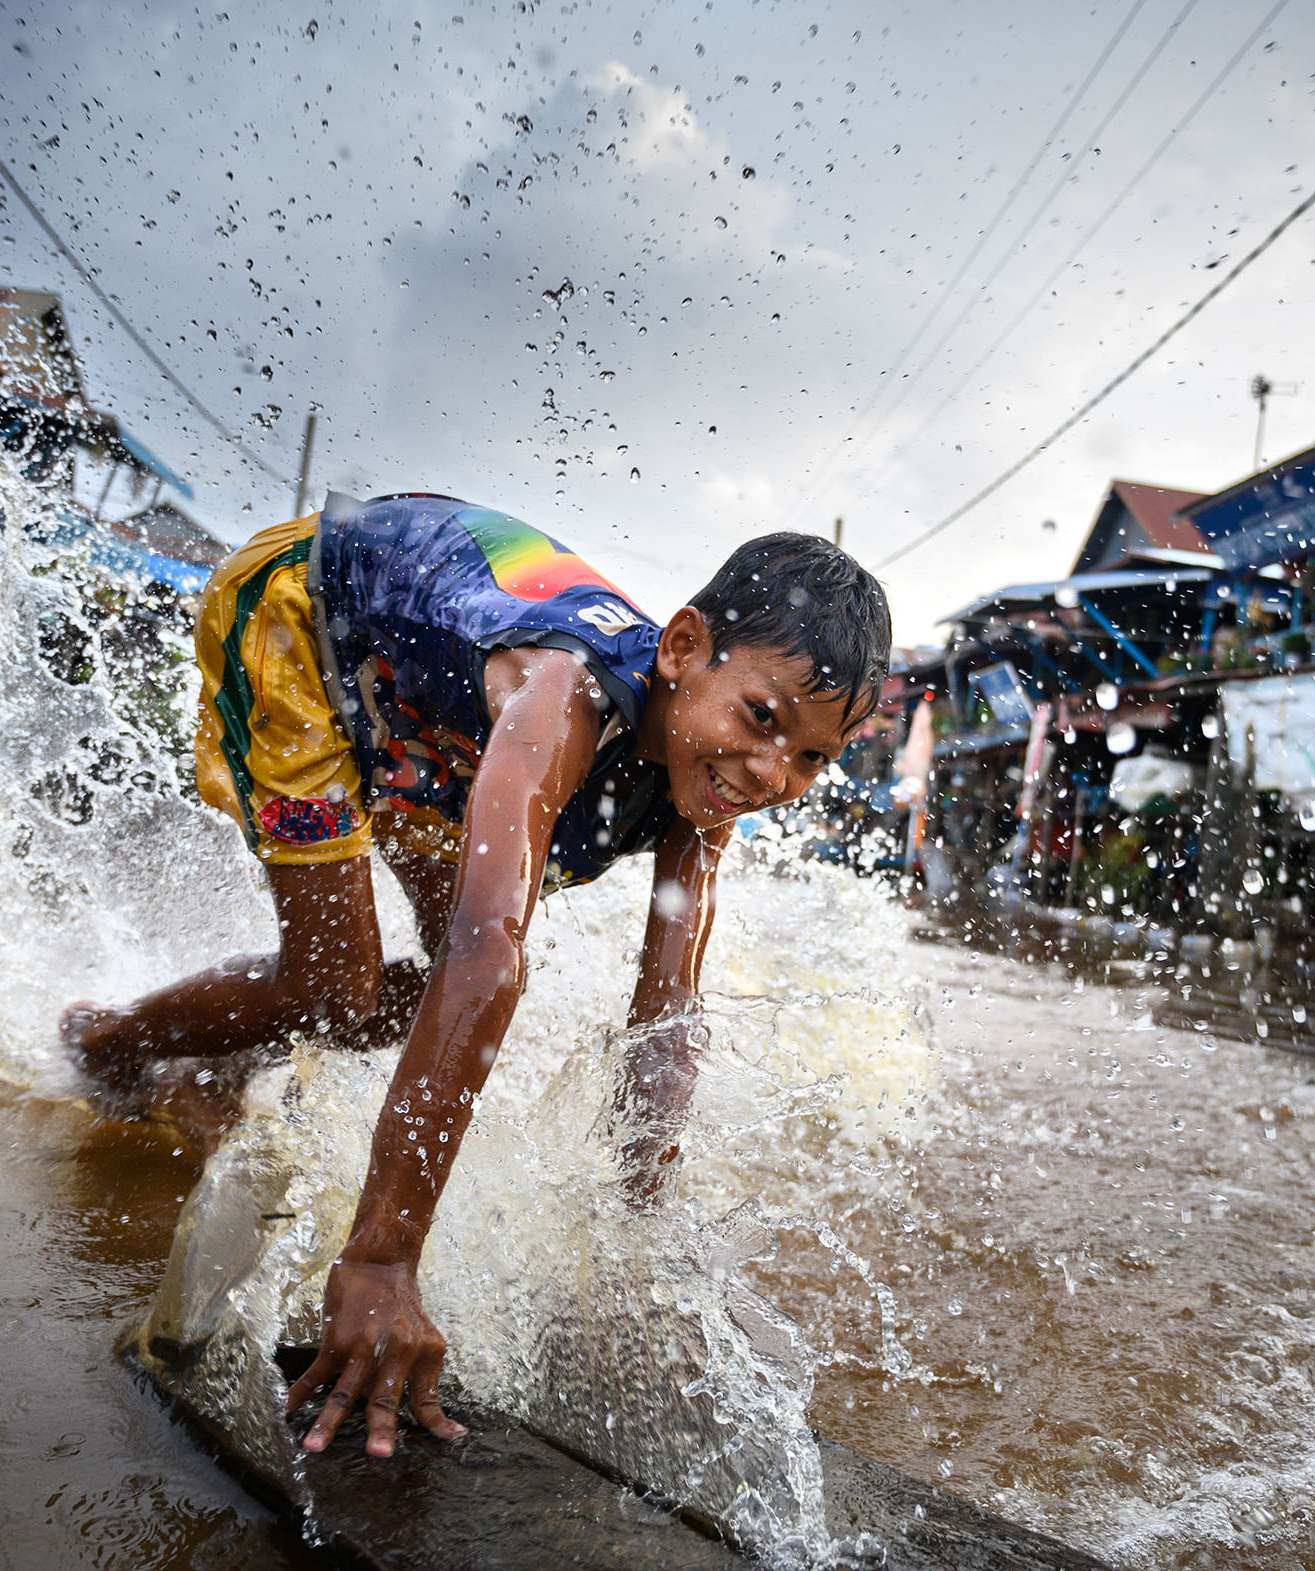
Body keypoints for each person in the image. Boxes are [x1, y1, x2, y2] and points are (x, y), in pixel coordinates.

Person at [63, 491, 892, 1460]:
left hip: (428, 719)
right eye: (761, 718)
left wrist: (642, 1268)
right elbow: (489, 945)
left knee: (409, 998)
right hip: (308, 619)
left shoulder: (704, 797)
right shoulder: (561, 697)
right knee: (341, 986)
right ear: (681, 648)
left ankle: (208, 1067)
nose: (769, 771)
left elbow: (666, 1020)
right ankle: (107, 1043)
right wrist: (381, 1260)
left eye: (812, 758)